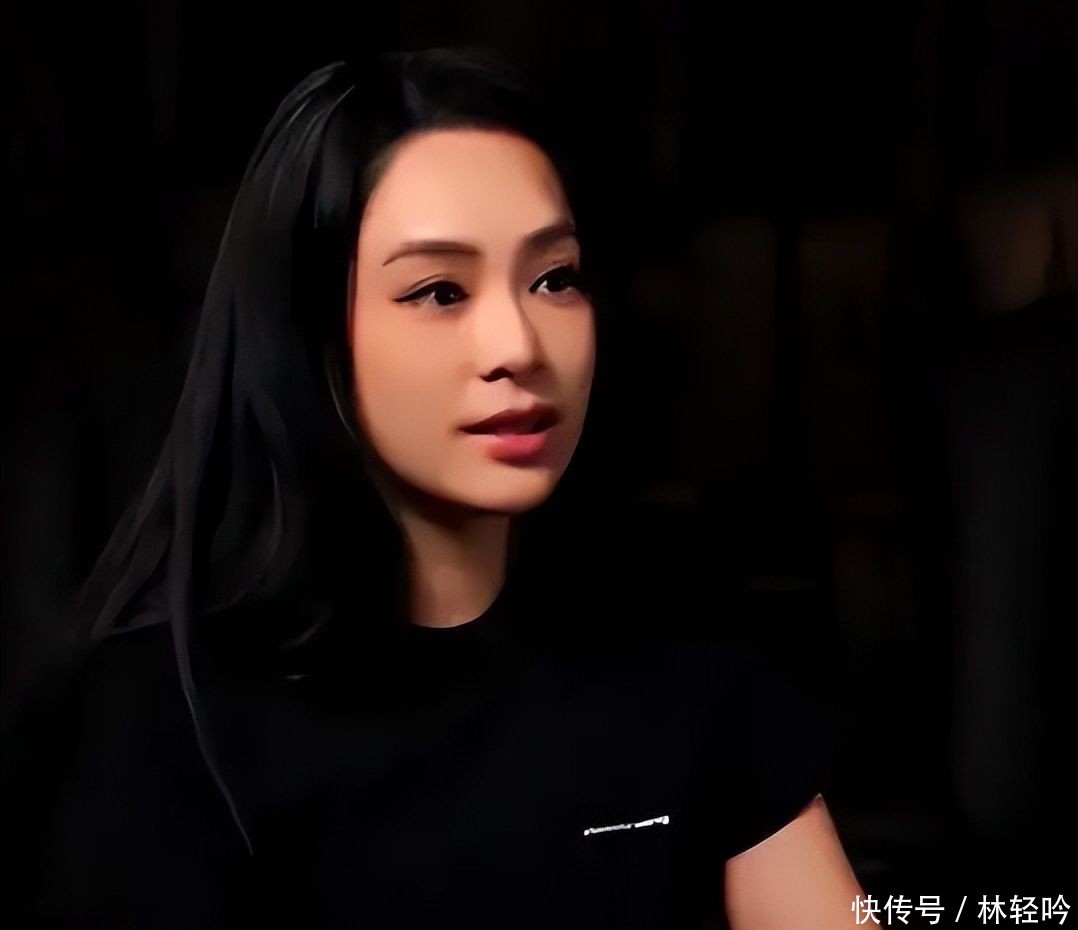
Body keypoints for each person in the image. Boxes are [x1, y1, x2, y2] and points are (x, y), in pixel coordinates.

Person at [3, 47, 864, 929]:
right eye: (440, 291)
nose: (517, 347)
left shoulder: (692, 664)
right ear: (313, 331)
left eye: (554, 279)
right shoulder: (161, 717)